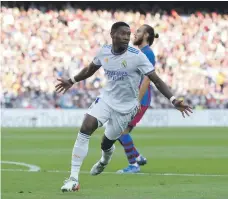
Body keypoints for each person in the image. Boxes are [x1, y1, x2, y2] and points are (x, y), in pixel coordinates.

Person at [55, 21, 192, 192]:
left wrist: (173, 100)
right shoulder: (104, 51)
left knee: (106, 143)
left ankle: (104, 160)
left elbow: (156, 80)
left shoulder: (137, 56)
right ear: (112, 34)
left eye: (129, 34)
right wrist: (72, 80)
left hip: (126, 108)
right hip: (106, 99)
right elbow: (91, 68)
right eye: (123, 33)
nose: (127, 37)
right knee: (86, 127)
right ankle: (73, 178)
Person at [117, 24, 159, 173]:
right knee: (118, 130)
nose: (135, 34)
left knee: (121, 131)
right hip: (134, 98)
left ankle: (133, 165)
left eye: (139, 31)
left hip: (140, 99)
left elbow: (147, 79)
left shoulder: (148, 53)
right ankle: (137, 157)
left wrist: (137, 100)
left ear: (146, 35)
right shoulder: (140, 52)